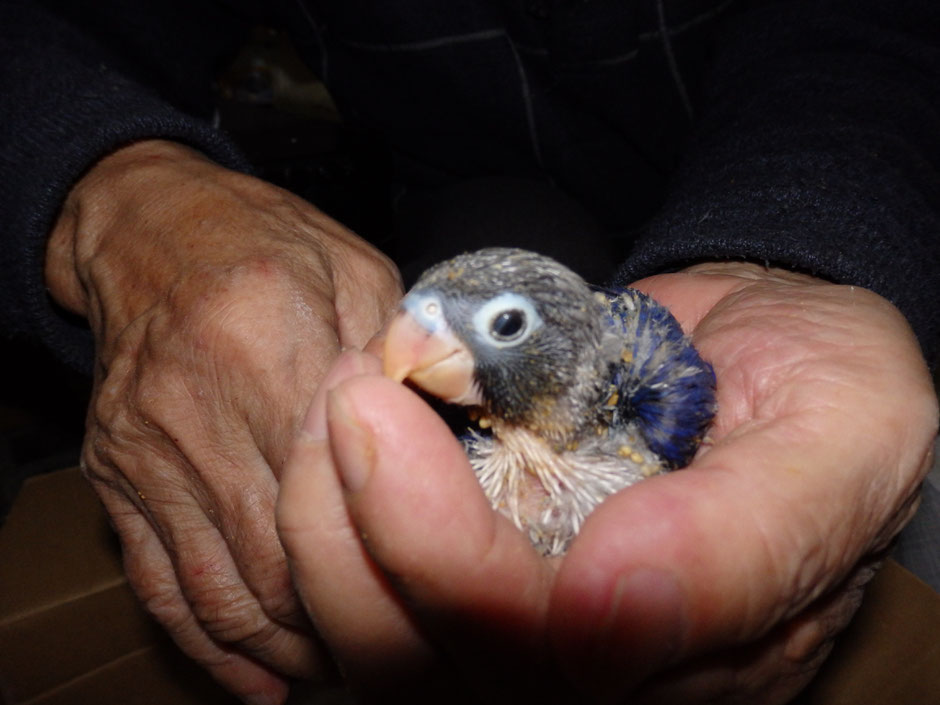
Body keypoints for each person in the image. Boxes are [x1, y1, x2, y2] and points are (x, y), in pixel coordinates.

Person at [1, 0, 938, 703]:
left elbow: (876, 36)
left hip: (770, 171)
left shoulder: (645, 386)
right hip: (459, 203)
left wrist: (800, 248)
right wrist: (110, 185)